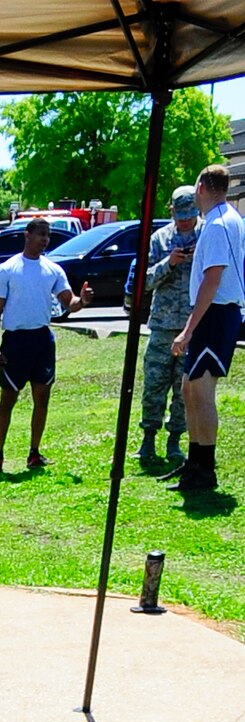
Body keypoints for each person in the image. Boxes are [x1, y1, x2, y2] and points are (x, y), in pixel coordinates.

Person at [0, 217, 91, 473]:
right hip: (15, 341)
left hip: (42, 340)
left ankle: (34, 452)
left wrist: (83, 300)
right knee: (8, 400)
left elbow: (70, 303)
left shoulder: (53, 270)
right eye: (41, 234)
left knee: (42, 398)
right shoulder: (8, 269)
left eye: (48, 235)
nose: (45, 239)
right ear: (27, 235)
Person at [168, 164, 245, 496]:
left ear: (201, 188)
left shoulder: (218, 225)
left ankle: (205, 470)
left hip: (216, 314)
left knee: (201, 393)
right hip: (212, 314)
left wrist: (187, 330)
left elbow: (212, 280)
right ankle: (195, 462)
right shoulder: (225, 218)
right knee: (189, 389)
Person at [135, 187, 199, 467]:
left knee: (184, 390)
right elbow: (144, 281)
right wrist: (168, 263)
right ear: (171, 211)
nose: (186, 222)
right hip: (162, 325)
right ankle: (148, 439)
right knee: (154, 385)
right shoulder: (159, 239)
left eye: (190, 216)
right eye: (181, 216)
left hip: (192, 325)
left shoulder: (208, 236)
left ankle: (175, 442)